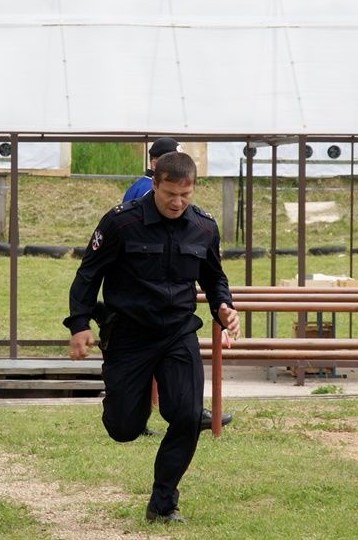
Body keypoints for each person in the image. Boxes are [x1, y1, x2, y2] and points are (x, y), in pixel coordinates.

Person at [65, 151, 239, 524]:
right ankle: (130, 402)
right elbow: (88, 274)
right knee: (124, 428)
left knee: (188, 415)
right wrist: (80, 324)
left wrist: (223, 307)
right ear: (155, 184)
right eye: (170, 194)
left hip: (178, 332)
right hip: (129, 334)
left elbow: (214, 278)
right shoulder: (121, 222)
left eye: (185, 195)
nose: (177, 202)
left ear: (193, 188)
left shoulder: (204, 227)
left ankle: (163, 503)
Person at [122, 137, 179, 203]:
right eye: (173, 162)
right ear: (155, 164)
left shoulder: (140, 185)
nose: (178, 166)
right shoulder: (153, 190)